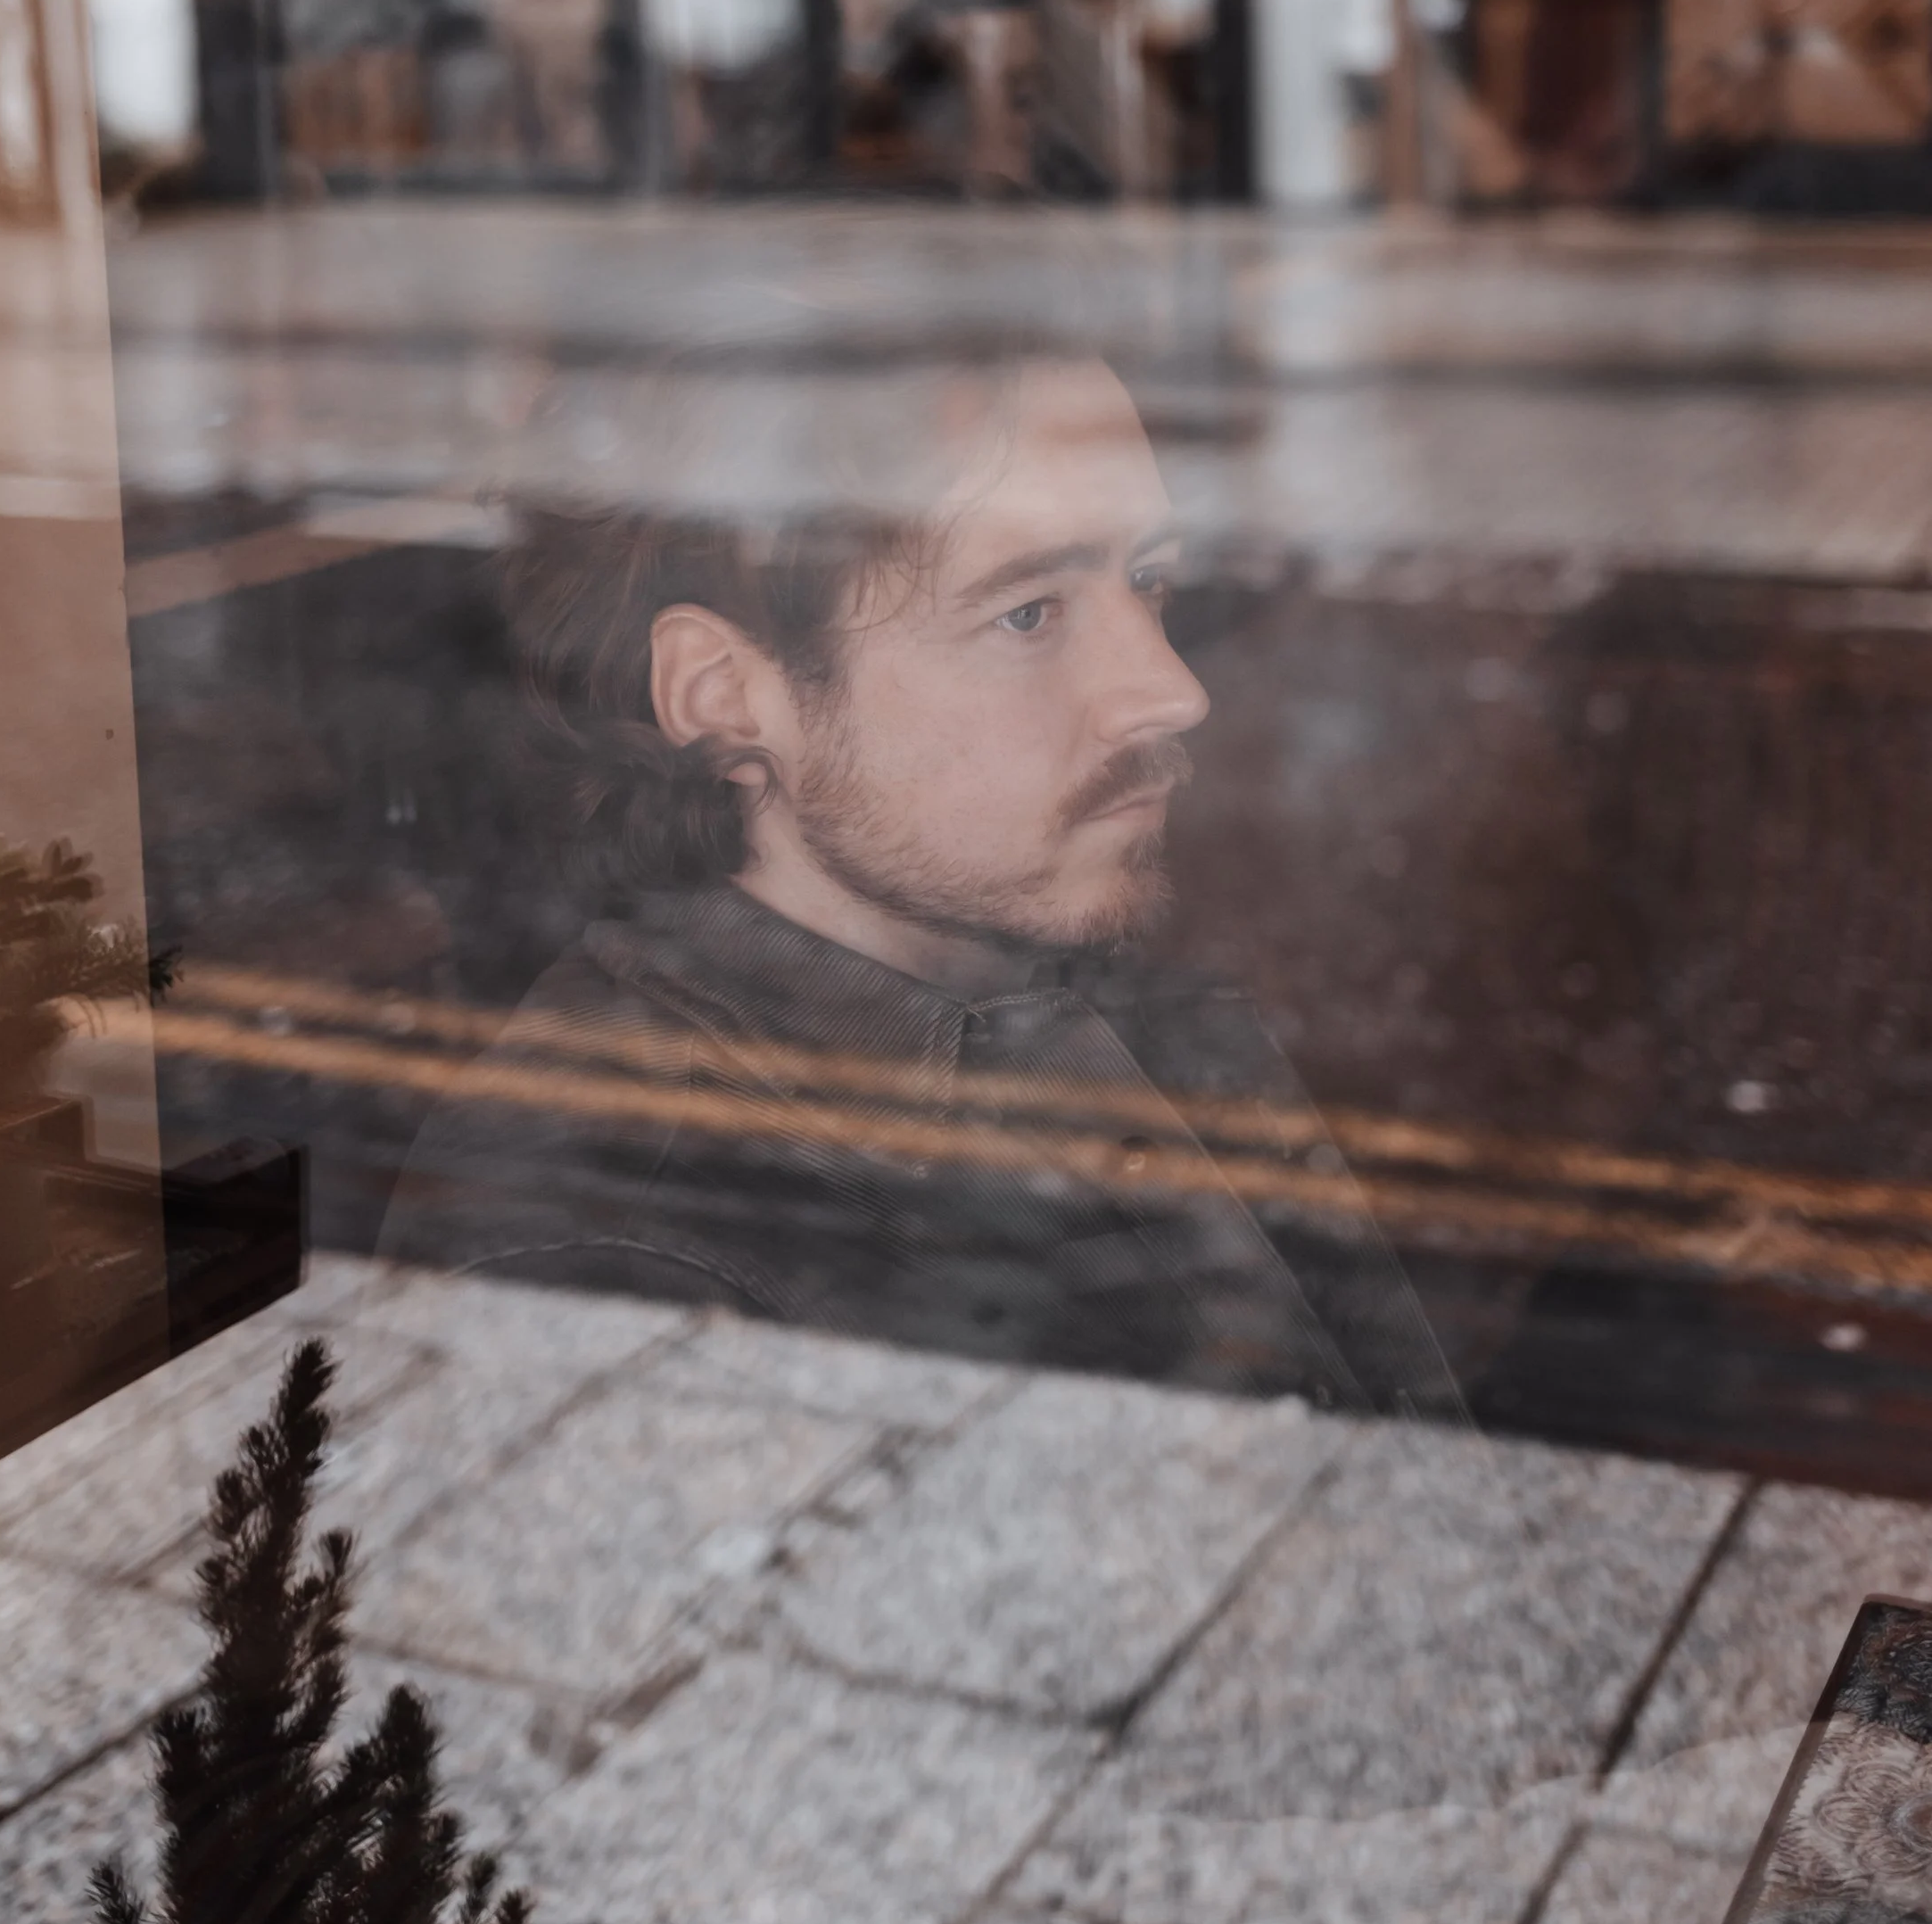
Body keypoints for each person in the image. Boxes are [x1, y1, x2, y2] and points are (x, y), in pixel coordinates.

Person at [382, 351, 1441, 1406]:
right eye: (1026, 614)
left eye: (1148, 579)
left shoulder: (1111, 981)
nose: (1169, 691)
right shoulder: (605, 1265)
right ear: (723, 697)